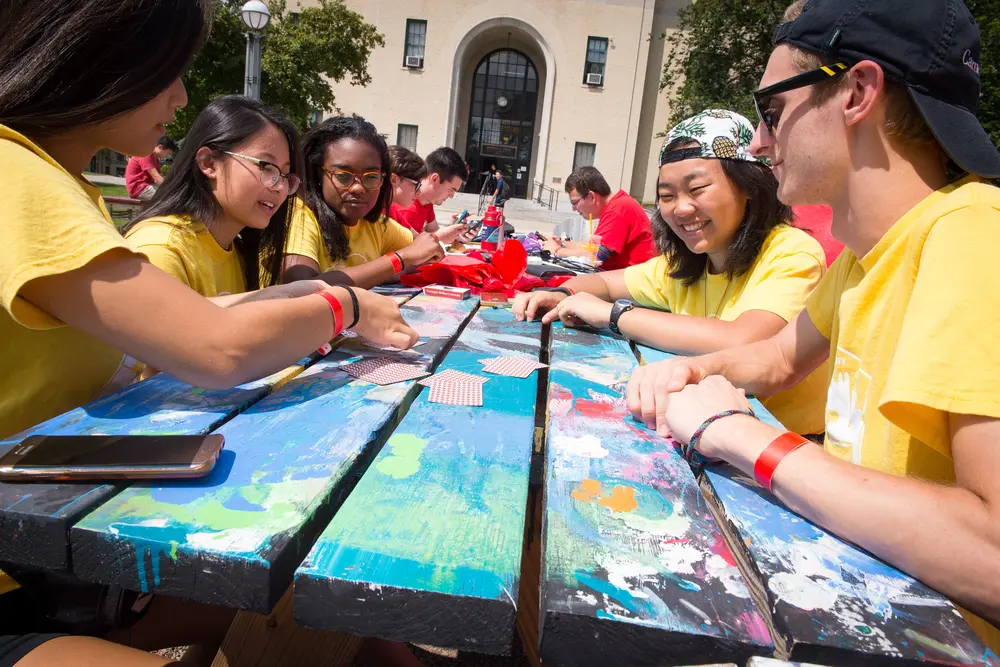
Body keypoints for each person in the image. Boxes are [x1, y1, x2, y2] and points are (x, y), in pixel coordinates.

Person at [0, 0, 416, 662]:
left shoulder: (56, 182)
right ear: (103, 54)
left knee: (322, 594)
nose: (183, 95)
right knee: (313, 592)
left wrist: (305, 294)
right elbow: (216, 349)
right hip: (25, 580)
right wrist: (348, 307)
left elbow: (193, 318)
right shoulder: (17, 174)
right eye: (172, 68)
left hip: (58, 549)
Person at [626, 0, 1000, 648]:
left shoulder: (971, 234)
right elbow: (775, 359)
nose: (760, 143)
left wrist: (740, 434)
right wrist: (690, 369)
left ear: (857, 91)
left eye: (771, 112)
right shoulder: (866, 254)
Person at [515, 110, 828, 436]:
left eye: (698, 188)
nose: (680, 208)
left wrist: (613, 314)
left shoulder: (791, 252)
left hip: (777, 450)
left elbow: (745, 341)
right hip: (697, 434)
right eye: (667, 196)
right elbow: (606, 280)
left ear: (748, 186)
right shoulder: (684, 262)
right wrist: (563, 294)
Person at [123, 96, 300, 300]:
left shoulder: (238, 252)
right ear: (208, 163)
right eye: (267, 167)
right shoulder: (160, 250)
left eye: (286, 175)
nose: (280, 187)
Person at [279, 117, 459, 289]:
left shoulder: (376, 225)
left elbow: (423, 251)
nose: (358, 188)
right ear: (318, 174)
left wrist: (400, 265)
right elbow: (301, 288)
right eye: (343, 176)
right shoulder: (299, 217)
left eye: (371, 177)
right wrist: (399, 259)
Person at [542, 166, 656, 270]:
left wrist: (557, 251)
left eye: (575, 202)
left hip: (631, 283)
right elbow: (593, 246)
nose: (574, 208)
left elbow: (597, 255)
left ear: (591, 196)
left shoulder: (617, 209)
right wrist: (562, 244)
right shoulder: (616, 205)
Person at [390, 146, 468, 235]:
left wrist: (454, 231)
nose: (451, 196)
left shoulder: (427, 203)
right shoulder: (406, 207)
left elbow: (433, 234)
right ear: (434, 179)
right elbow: (415, 246)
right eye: (451, 190)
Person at [125, 135, 177, 200]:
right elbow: (156, 177)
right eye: (168, 153)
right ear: (160, 147)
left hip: (146, 186)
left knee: (171, 195)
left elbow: (160, 177)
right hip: (138, 188)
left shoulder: (155, 159)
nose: (167, 156)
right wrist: (171, 188)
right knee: (169, 198)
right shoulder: (145, 154)